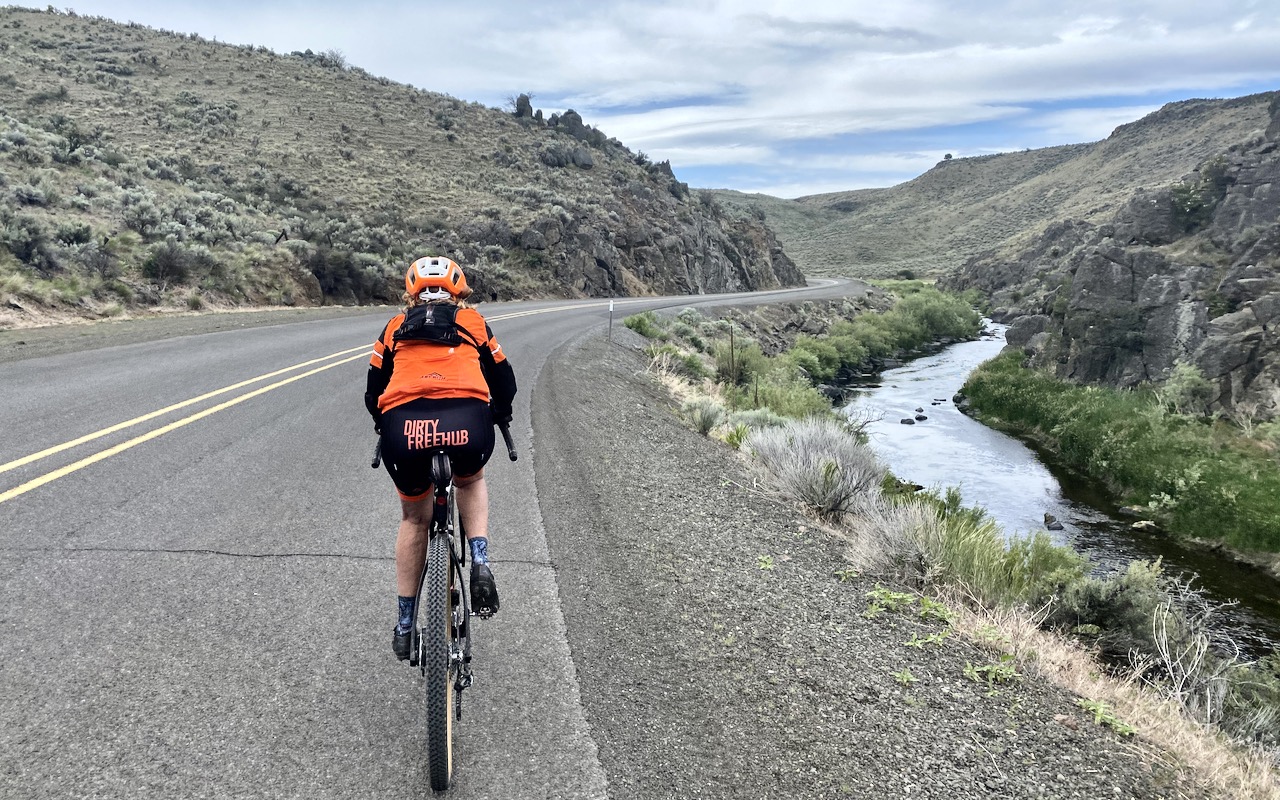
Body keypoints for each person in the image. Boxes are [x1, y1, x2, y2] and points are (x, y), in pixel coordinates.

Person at [364, 256, 517, 660]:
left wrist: (386, 425)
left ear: (411, 294)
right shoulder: (474, 323)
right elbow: (504, 377)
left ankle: (403, 622)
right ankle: (481, 560)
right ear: (459, 292)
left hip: (405, 429)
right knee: (469, 479)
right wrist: (501, 413)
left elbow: (372, 389)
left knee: (414, 518)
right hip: (467, 423)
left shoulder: (395, 328)